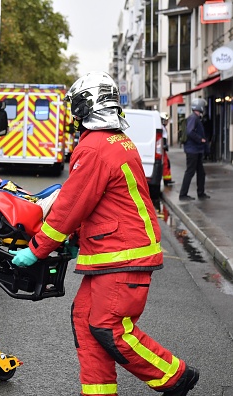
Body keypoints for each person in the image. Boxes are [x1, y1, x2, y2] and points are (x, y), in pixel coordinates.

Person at [10, 71, 199, 396]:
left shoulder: (95, 148)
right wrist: (76, 242)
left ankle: (174, 376)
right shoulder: (115, 141)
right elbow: (99, 204)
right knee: (87, 321)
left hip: (123, 254)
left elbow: (70, 208)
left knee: (107, 326)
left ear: (84, 108)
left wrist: (37, 248)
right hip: (119, 251)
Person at [179, 98, 210, 201]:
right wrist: (200, 139)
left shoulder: (195, 118)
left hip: (195, 150)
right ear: (200, 107)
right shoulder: (194, 118)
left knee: (201, 173)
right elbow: (190, 132)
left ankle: (201, 193)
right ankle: (183, 195)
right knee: (190, 172)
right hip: (193, 150)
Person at [161, 112, 175, 187]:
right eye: (165, 120)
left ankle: (167, 179)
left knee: (167, 163)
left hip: (163, 148)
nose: (166, 122)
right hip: (162, 149)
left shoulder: (163, 127)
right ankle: (166, 180)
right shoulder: (161, 127)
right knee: (166, 163)